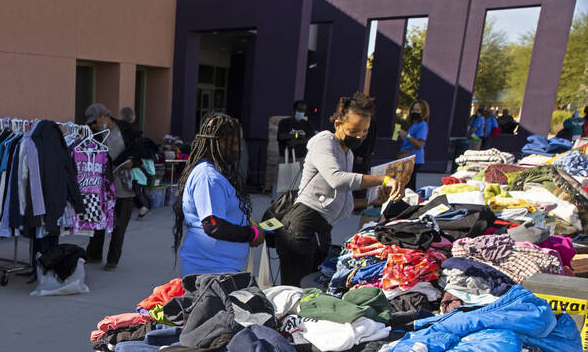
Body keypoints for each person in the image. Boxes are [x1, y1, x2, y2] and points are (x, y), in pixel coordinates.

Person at [277, 93, 403, 287]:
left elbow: (344, 200)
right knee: (294, 291)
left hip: (321, 230)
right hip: (301, 227)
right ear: (338, 124)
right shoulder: (324, 142)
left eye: (365, 131)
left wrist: (372, 202)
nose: (360, 136)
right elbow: (337, 180)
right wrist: (384, 179)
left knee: (311, 290)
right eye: (355, 130)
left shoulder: (348, 154)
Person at [173, 112, 262, 277]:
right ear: (220, 142)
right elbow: (213, 224)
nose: (239, 148)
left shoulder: (214, 172)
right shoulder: (208, 177)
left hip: (219, 267)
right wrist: (252, 234)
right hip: (210, 270)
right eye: (235, 143)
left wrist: (243, 221)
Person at [84, 103, 137, 270]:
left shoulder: (126, 129)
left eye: (94, 122)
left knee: (119, 225)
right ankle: (93, 254)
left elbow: (142, 150)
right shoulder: (94, 134)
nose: (92, 126)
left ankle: (113, 260)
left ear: (102, 116)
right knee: (98, 220)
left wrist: (134, 162)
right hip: (103, 185)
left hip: (125, 185)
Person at [397, 98, 429, 191]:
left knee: (408, 186)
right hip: (407, 157)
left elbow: (419, 144)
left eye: (418, 110)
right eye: (413, 110)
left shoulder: (422, 125)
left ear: (423, 112)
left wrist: (407, 135)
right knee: (407, 184)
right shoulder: (412, 124)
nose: (414, 112)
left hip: (414, 159)